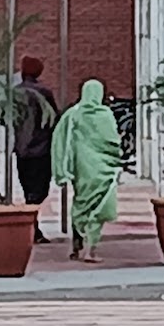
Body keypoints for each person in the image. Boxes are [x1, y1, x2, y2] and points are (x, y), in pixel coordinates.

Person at [50, 78, 122, 262]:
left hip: (81, 168)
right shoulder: (105, 115)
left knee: (81, 203)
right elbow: (114, 141)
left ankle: (77, 244)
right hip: (103, 168)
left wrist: (62, 169)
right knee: (99, 206)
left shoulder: (73, 114)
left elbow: (59, 140)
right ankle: (91, 249)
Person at [14, 55, 58, 241]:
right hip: (41, 148)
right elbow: (53, 118)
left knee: (28, 189)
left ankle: (32, 227)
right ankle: (32, 226)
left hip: (21, 149)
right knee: (39, 190)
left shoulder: (15, 93)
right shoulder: (43, 92)